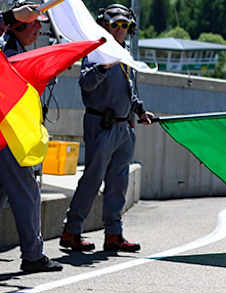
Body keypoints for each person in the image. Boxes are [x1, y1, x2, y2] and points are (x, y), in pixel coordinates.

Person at [59, 3, 155, 253]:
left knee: (118, 183)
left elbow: (129, 90)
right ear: (104, 25)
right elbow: (86, 83)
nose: (120, 30)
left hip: (125, 126)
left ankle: (114, 234)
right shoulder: (96, 51)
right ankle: (71, 231)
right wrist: (105, 65)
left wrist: (140, 110)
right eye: (115, 25)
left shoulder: (124, 54)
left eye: (124, 25)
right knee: (92, 179)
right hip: (101, 124)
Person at [0, 0, 63, 273]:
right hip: (10, 139)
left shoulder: (11, 50)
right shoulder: (9, 53)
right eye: (34, 22)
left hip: (6, 136)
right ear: (17, 26)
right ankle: (33, 256)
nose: (39, 28)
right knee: (28, 194)